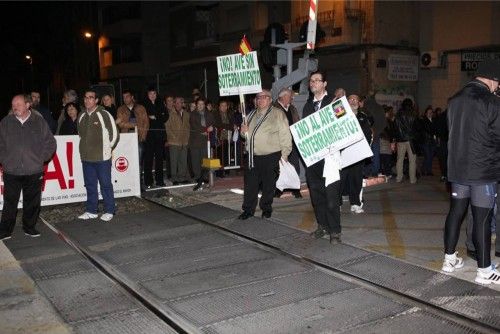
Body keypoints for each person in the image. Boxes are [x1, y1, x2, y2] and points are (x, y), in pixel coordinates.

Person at [442, 59, 500, 285]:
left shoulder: (454, 100)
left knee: (455, 213)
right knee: (482, 219)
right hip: (482, 170)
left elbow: (452, 132)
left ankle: (449, 259)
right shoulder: (491, 101)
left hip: (457, 168)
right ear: (491, 79)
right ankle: (485, 270)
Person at [0, 94, 56, 240]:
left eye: (18, 104)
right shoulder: (6, 122)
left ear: (27, 105)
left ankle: (29, 227)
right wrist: (4, 160)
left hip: (34, 170)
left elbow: (50, 143)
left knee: (32, 201)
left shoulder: (39, 121)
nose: (14, 107)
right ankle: (5, 231)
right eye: (13, 104)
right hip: (11, 171)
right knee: (9, 202)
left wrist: (41, 159)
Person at [238, 89, 292, 220]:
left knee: (268, 185)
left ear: (270, 99)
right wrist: (242, 131)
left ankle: (266, 208)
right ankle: (248, 209)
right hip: (252, 156)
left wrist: (284, 155)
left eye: (263, 97)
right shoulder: (250, 115)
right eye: (258, 97)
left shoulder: (277, 114)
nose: (260, 99)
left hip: (271, 156)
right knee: (250, 184)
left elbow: (285, 135)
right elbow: (245, 135)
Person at [303, 70, 342, 243]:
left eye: (317, 80)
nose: (313, 83)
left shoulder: (334, 102)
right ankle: (323, 226)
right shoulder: (307, 105)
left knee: (331, 198)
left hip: (330, 159)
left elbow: (344, 122)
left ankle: (335, 231)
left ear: (325, 84)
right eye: (311, 81)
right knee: (317, 196)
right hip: (313, 159)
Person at [77, 89, 119, 222]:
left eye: (91, 97)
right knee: (90, 185)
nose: (87, 100)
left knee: (105, 184)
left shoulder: (104, 114)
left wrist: (107, 149)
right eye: (85, 97)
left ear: (96, 100)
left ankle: (110, 210)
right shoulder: (81, 115)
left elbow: (115, 134)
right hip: (86, 158)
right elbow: (81, 135)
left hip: (102, 158)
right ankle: (91, 210)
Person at [340, 94, 373, 214]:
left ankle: (356, 203)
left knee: (356, 180)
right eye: (350, 99)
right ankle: (337, 203)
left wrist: (364, 151)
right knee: (340, 180)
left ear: (359, 103)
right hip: (342, 155)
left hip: (357, 156)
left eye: (355, 99)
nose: (353, 101)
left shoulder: (363, 118)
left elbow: (369, 135)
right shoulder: (340, 115)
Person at [273, 87, 302, 198]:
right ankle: (278, 189)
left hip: (293, 141)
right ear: (284, 97)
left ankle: (295, 189)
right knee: (279, 166)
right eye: (290, 96)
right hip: (278, 142)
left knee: (294, 164)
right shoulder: (274, 109)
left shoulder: (293, 108)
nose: (292, 98)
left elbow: (297, 121)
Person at [116, 89, 149, 182]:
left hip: (139, 136)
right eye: (123, 97)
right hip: (126, 137)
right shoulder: (120, 109)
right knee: (128, 159)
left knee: (139, 160)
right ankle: (129, 181)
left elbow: (146, 123)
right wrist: (133, 125)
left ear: (132, 97)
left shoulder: (140, 108)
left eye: (127, 96)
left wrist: (143, 136)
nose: (125, 99)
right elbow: (120, 124)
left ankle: (139, 181)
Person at [143, 87, 168, 188]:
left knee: (159, 159)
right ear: (147, 95)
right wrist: (156, 117)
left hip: (160, 136)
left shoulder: (160, 103)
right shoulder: (144, 105)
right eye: (150, 93)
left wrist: (155, 117)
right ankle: (148, 181)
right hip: (149, 136)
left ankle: (159, 181)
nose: (152, 95)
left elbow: (166, 116)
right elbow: (145, 118)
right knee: (148, 159)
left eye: (154, 93)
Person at [189, 97, 214, 190]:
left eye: (202, 104)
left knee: (205, 160)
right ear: (196, 105)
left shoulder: (208, 114)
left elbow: (212, 123)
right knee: (195, 160)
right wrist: (206, 129)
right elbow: (194, 125)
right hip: (195, 141)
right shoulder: (192, 114)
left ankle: (205, 177)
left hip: (205, 141)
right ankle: (197, 177)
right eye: (199, 104)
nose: (200, 106)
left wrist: (209, 129)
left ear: (204, 105)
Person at [166, 97, 190, 185]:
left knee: (183, 160)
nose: (178, 104)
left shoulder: (187, 114)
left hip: (184, 141)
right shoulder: (170, 113)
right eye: (176, 103)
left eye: (180, 103)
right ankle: (174, 178)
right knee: (174, 161)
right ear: (174, 104)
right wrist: (173, 137)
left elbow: (188, 127)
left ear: (182, 104)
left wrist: (187, 138)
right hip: (174, 142)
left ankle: (182, 177)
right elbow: (167, 127)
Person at [394, 98, 417, 184]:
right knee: (412, 160)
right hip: (411, 140)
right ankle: (412, 179)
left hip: (400, 140)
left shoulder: (398, 114)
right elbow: (417, 128)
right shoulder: (413, 114)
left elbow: (395, 127)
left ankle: (399, 178)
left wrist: (395, 138)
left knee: (400, 159)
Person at [213, 100, 236, 178]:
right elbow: (218, 124)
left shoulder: (230, 114)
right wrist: (228, 126)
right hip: (219, 138)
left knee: (227, 154)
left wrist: (228, 126)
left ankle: (226, 170)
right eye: (222, 105)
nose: (224, 107)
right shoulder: (215, 114)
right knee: (219, 155)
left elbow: (232, 124)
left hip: (228, 137)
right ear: (219, 107)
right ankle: (219, 172)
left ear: (227, 106)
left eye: (225, 105)